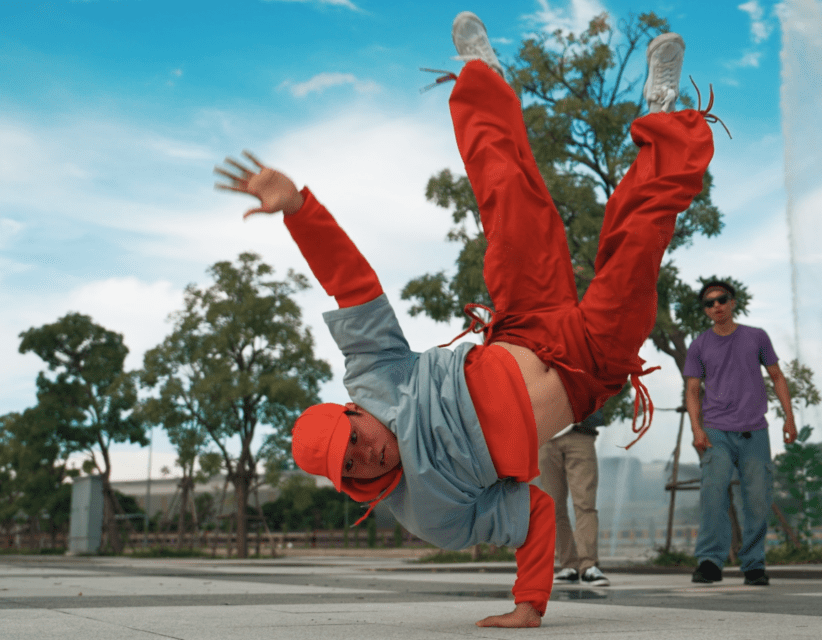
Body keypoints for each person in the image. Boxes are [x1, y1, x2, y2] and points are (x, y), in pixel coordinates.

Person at [216, 11, 715, 627]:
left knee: (506, 193)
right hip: (591, 366)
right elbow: (532, 511)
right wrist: (529, 605)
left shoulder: (374, 378)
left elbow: (353, 285)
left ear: (353, 414)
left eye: (356, 444)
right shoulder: (431, 515)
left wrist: (297, 208)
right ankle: (664, 114)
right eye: (351, 472)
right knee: (640, 236)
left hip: (521, 324)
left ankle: (482, 79)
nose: (366, 459)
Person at [683, 281, 797, 586]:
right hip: (717, 430)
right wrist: (697, 429)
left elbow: (776, 375)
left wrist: (789, 418)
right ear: (706, 311)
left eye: (721, 300)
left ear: (733, 302)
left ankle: (754, 564)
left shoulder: (756, 337)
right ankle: (709, 561)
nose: (716, 306)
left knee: (758, 498)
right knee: (713, 493)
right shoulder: (699, 345)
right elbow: (692, 390)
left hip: (754, 430)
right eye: (709, 303)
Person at [540, 409, 609, 587]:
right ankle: (569, 566)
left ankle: (589, 566)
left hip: (580, 433)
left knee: (585, 504)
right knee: (552, 506)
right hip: (544, 437)